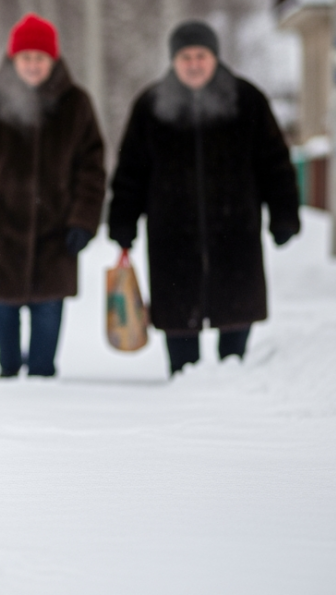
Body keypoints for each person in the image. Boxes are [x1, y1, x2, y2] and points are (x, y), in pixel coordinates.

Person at [107, 20, 301, 375]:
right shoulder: (151, 105)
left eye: (201, 55)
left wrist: (284, 214)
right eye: (185, 57)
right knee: (179, 315)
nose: (194, 64)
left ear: (214, 57)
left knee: (236, 314)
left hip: (235, 230)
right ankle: (182, 380)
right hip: (172, 235)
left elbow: (274, 164)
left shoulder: (247, 101)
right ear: (173, 60)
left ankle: (234, 377)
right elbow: (131, 172)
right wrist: (122, 221)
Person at [0, 13, 106, 378]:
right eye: (26, 57)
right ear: (13, 59)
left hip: (56, 238)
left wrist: (83, 220)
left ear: (53, 60)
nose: (33, 65)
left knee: (44, 358)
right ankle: (8, 401)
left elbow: (91, 169)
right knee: (8, 357)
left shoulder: (75, 103)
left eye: (40, 58)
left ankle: (42, 406)